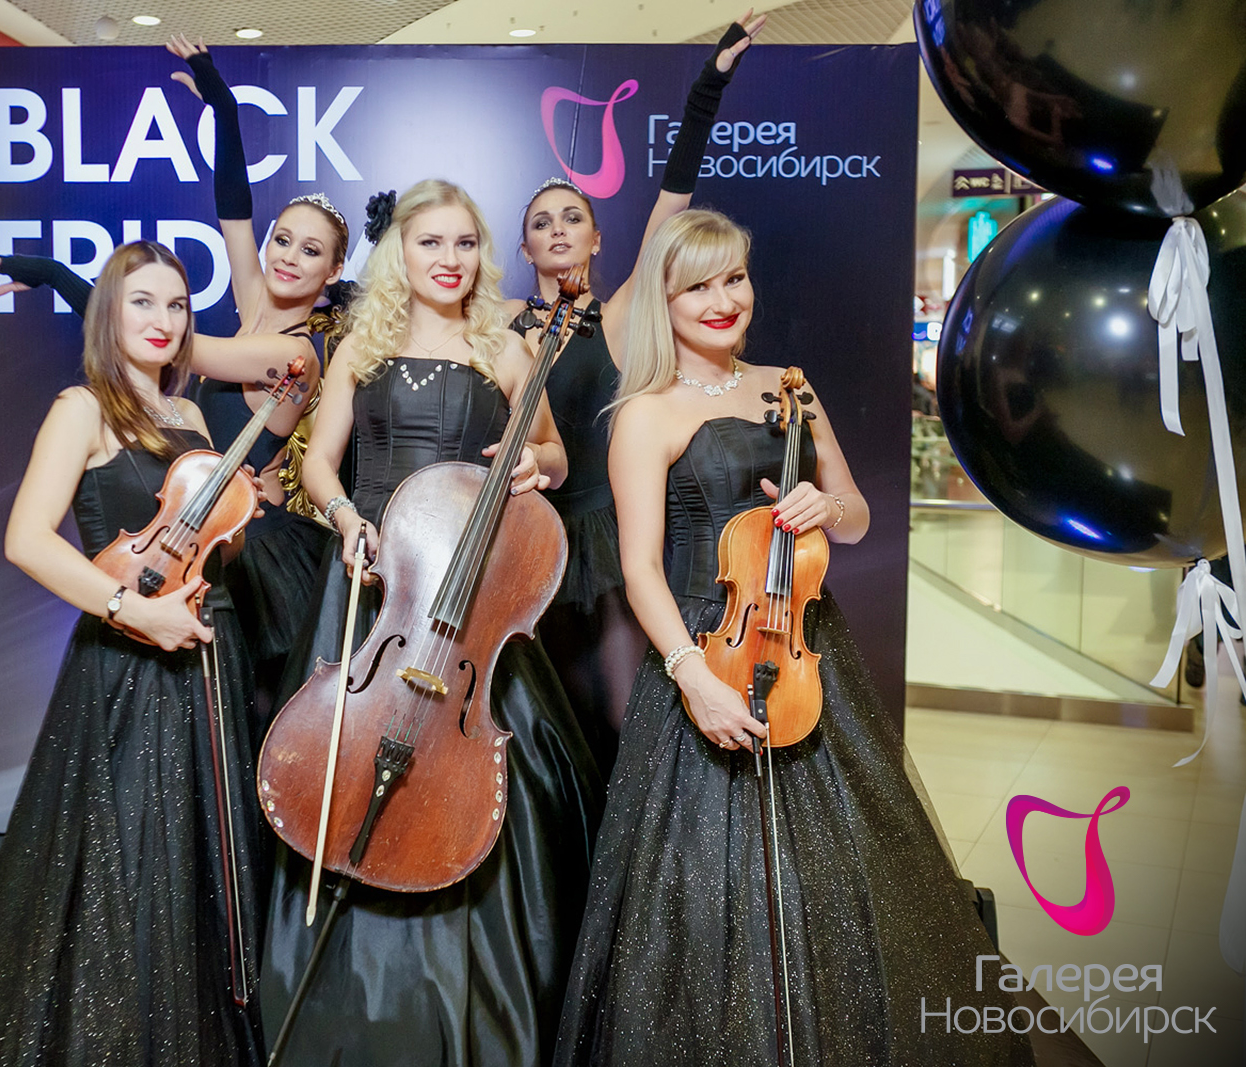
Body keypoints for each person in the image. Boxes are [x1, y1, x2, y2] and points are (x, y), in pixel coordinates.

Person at [553, 211, 1033, 1066]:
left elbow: (857, 515)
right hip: (702, 653)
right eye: (697, 286)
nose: (722, 299)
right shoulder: (645, 413)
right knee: (705, 891)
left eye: (733, 278)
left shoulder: (789, 386)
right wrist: (694, 678)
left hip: (805, 647)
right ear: (665, 300)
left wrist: (824, 503)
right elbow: (640, 569)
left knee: (841, 882)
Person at [260, 179, 601, 1067]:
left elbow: (556, 454)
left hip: (472, 596)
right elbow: (320, 465)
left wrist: (534, 461)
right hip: (376, 584)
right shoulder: (359, 348)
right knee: (335, 769)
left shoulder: (507, 347)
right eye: (430, 243)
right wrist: (345, 516)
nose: (449, 260)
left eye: (464, 243)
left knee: (491, 777)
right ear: (399, 254)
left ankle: (470, 999)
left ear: (481, 255)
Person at [0, 242, 266, 1067]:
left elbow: (202, 547)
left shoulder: (189, 418)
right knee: (130, 870)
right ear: (107, 312)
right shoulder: (82, 408)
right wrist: (134, 608)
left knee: (193, 870)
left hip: (204, 663)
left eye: (177, 305)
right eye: (142, 302)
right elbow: (25, 539)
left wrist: (235, 525)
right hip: (126, 669)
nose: (163, 320)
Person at [0, 34, 343, 726]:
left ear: (332, 272)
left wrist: (52, 273)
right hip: (192, 529)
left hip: (248, 547)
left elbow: (167, 341)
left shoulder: (294, 354)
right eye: (282, 239)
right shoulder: (253, 302)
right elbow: (234, 207)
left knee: (250, 719)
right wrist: (223, 108)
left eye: (311, 250)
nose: (288, 256)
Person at [504, 12, 763, 775]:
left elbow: (672, 201)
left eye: (573, 218)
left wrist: (709, 88)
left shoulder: (615, 318)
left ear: (598, 240)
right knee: (538, 726)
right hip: (525, 540)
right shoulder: (498, 329)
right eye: (541, 222)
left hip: (608, 540)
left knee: (621, 715)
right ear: (523, 247)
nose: (558, 229)